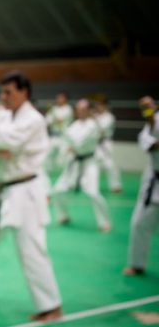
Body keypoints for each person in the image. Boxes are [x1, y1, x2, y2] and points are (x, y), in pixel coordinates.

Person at [0, 71, 62, 322]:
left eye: (9, 92)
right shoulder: (4, 115)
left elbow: (5, 141)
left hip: (25, 190)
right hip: (0, 189)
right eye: (2, 92)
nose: (4, 97)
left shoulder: (33, 119)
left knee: (30, 248)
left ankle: (50, 305)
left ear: (24, 92)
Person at [51, 99, 111, 232]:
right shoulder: (74, 125)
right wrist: (67, 149)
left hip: (89, 163)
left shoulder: (93, 125)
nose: (81, 112)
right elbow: (67, 144)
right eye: (78, 109)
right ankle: (63, 216)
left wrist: (68, 139)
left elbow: (78, 143)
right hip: (74, 163)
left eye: (84, 109)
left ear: (89, 111)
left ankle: (104, 222)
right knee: (58, 190)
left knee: (93, 193)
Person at [124, 96, 159, 276]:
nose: (146, 107)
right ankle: (137, 264)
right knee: (139, 224)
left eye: (148, 105)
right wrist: (150, 116)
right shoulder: (152, 122)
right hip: (154, 180)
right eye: (143, 107)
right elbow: (149, 142)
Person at [94, 96, 122, 193]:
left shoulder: (109, 117)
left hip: (105, 143)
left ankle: (115, 186)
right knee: (93, 165)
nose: (98, 106)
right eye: (97, 104)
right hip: (95, 143)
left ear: (105, 106)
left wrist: (94, 119)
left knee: (109, 165)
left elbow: (102, 130)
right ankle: (93, 186)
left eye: (100, 105)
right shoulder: (95, 116)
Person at [45, 92, 74, 174]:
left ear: (66, 99)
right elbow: (48, 122)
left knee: (63, 156)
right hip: (54, 135)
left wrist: (54, 118)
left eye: (61, 98)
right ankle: (49, 172)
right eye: (57, 98)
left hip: (64, 136)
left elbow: (60, 120)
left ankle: (64, 175)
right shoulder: (54, 109)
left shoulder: (68, 109)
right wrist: (53, 116)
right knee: (48, 154)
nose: (58, 100)